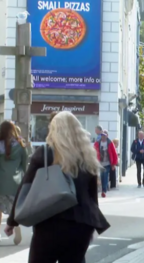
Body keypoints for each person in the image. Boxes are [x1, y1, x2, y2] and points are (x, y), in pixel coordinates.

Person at [4, 111, 110, 263]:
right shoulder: (87, 156)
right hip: (81, 226)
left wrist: (12, 221)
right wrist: (92, 222)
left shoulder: (45, 154)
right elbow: (92, 196)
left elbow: (25, 187)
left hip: (50, 223)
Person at [0, 121, 27, 245]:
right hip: (15, 182)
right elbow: (25, 165)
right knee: (14, 208)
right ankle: (17, 229)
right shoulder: (21, 146)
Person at [94, 131, 118, 197]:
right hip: (100, 163)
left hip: (107, 163)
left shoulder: (110, 143)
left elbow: (114, 153)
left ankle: (104, 190)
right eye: (102, 136)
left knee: (106, 175)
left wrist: (113, 164)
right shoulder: (97, 143)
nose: (103, 137)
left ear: (106, 136)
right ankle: (104, 188)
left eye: (104, 136)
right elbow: (94, 152)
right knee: (102, 176)